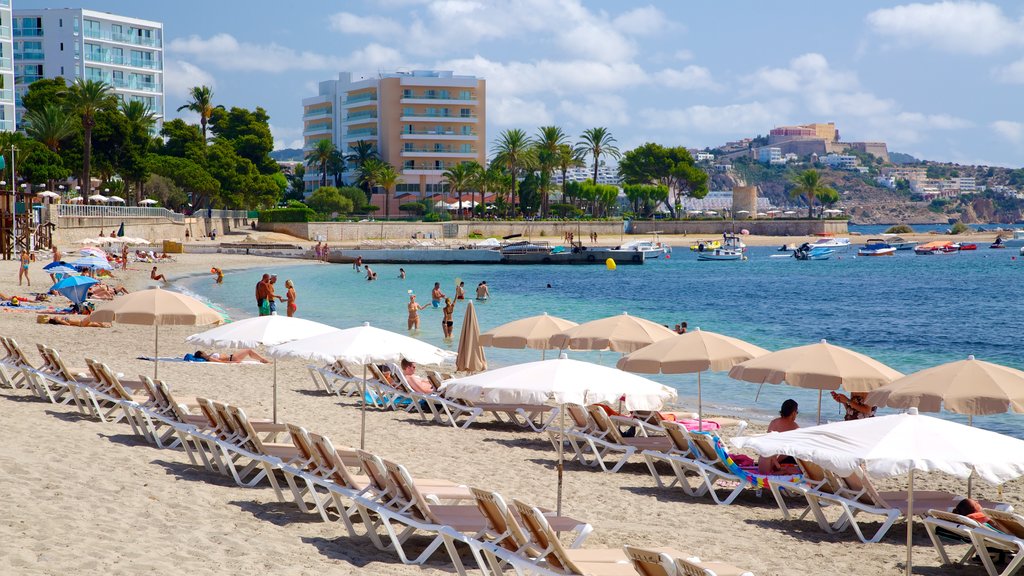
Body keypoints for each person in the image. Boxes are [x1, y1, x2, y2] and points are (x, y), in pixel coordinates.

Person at [758, 399, 801, 474]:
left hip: (768, 460)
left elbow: (768, 443)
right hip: (777, 462)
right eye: (797, 412)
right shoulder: (795, 427)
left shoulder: (774, 422)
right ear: (793, 413)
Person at [192, 349, 270, 364]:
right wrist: (234, 362)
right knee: (249, 350)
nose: (204, 351)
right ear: (201, 354)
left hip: (232, 356)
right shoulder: (209, 358)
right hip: (232, 358)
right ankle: (263, 360)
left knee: (248, 351)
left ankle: (262, 359)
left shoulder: (209, 357)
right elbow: (221, 362)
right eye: (202, 351)